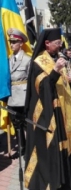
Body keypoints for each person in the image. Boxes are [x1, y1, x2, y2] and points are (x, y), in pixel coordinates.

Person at [24, 28, 71, 190]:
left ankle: (64, 173)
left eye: (60, 43)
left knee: (64, 144)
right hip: (49, 113)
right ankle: (52, 178)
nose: (60, 46)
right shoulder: (38, 62)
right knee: (52, 147)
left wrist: (68, 77)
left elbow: (60, 81)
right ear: (47, 43)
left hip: (63, 110)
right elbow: (43, 88)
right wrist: (56, 71)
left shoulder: (57, 57)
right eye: (57, 43)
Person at [6, 28, 31, 157]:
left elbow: (31, 80)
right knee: (16, 124)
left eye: (14, 42)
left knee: (27, 124)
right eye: (10, 41)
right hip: (11, 97)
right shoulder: (7, 60)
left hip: (23, 96)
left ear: (21, 43)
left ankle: (32, 147)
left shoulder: (27, 59)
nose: (11, 44)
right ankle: (22, 146)